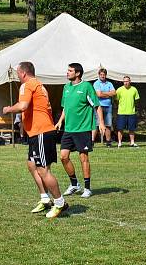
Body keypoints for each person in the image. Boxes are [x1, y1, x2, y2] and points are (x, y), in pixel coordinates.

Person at [2, 61, 68, 218]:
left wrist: (8, 109)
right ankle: (45, 199)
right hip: (38, 133)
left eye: (18, 74)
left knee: (43, 170)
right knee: (32, 165)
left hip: (41, 132)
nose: (18, 77)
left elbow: (23, 105)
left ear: (23, 73)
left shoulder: (27, 85)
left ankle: (60, 203)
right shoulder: (39, 84)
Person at [55, 63, 106, 199]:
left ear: (77, 73)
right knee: (63, 157)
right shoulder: (66, 87)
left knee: (83, 158)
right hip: (69, 129)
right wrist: (60, 121)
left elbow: (97, 106)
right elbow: (66, 107)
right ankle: (74, 184)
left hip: (83, 129)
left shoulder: (86, 87)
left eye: (70, 71)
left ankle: (87, 188)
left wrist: (101, 123)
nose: (67, 72)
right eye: (68, 70)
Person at [92, 68, 115, 147]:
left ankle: (108, 142)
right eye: (101, 75)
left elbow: (114, 93)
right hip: (99, 106)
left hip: (108, 106)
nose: (102, 76)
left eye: (104, 75)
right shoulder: (96, 83)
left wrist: (103, 93)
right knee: (96, 124)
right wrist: (108, 94)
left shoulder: (109, 83)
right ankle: (92, 142)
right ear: (99, 75)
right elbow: (98, 94)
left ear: (106, 75)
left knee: (108, 124)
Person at [115, 76, 140, 148]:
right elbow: (116, 100)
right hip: (121, 113)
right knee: (120, 129)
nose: (126, 83)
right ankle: (119, 143)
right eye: (124, 81)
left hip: (131, 112)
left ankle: (132, 142)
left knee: (131, 129)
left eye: (127, 81)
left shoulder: (134, 89)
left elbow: (136, 100)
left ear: (130, 81)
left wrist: (134, 109)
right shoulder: (119, 90)